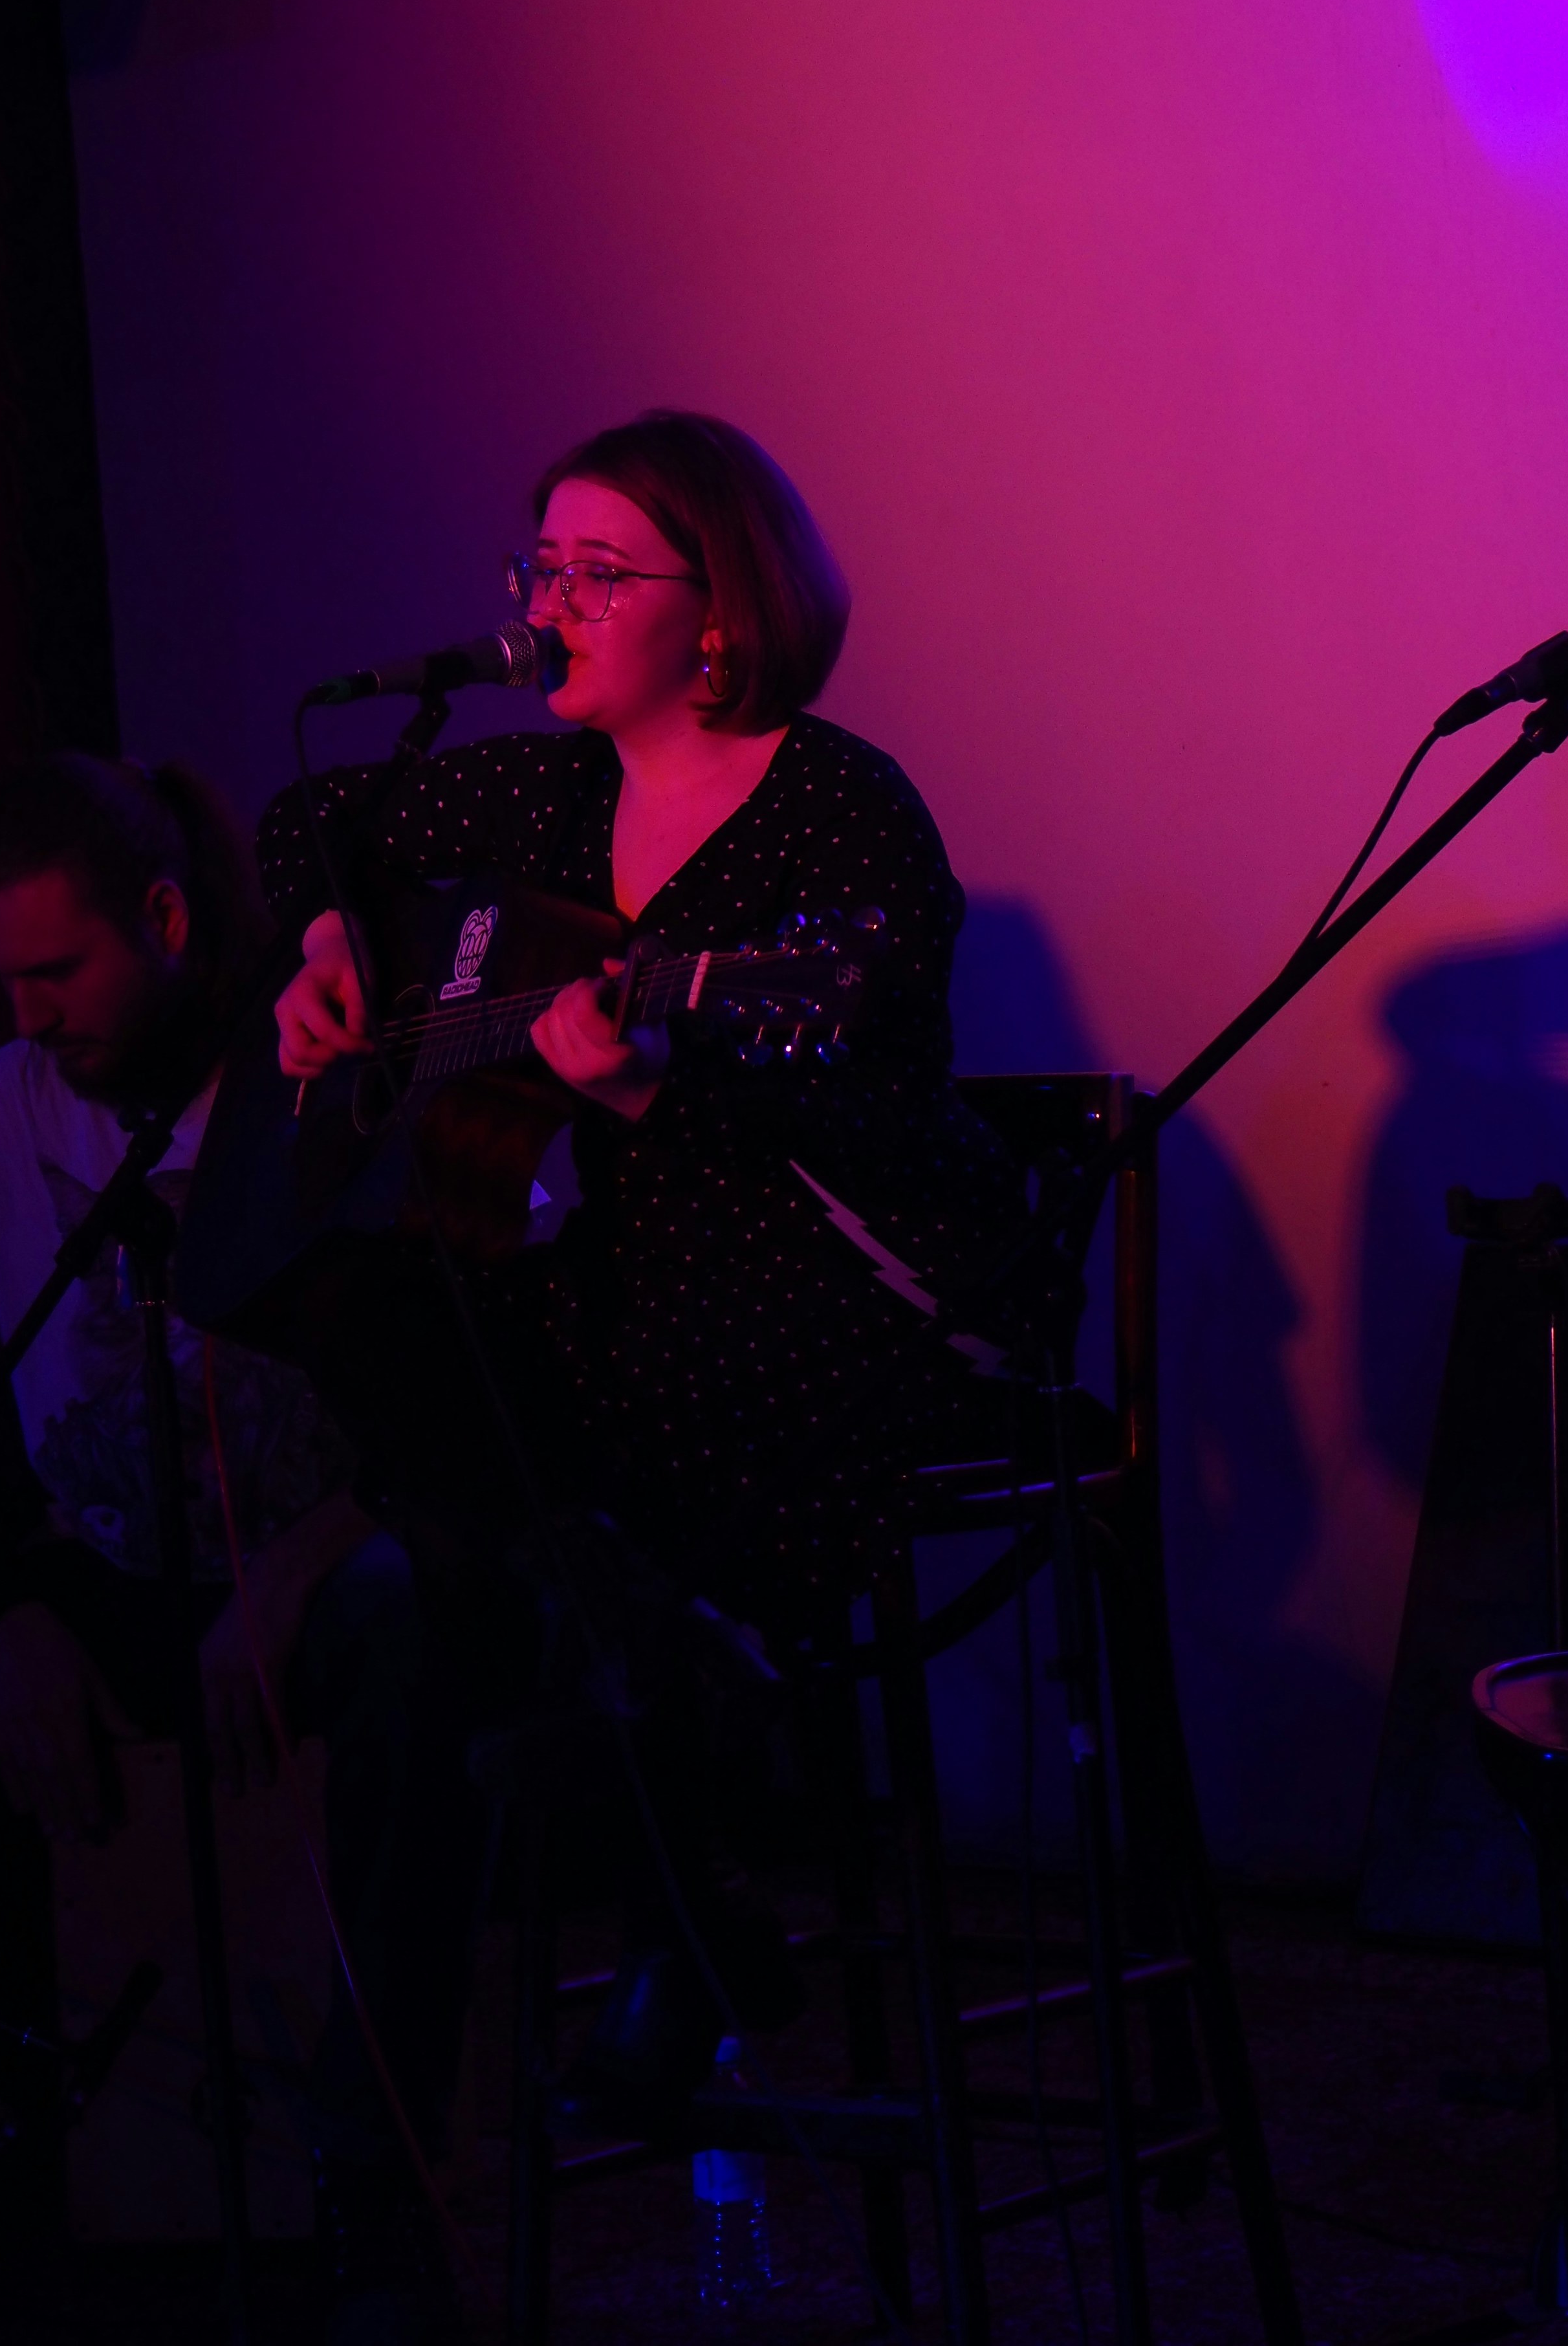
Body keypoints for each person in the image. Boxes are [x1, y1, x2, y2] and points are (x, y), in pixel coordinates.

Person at [259, 410, 1060, 2097]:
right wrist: (334, 939)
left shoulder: (838, 816)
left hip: (807, 1305)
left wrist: (643, 1092)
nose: (551, 603)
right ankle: (400, 2142)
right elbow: (291, 827)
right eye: (539, 565)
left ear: (722, 607)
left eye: (596, 571)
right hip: (587, 1320)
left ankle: (669, 1824)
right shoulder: (538, 788)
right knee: (370, 1413)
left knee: (433, 1573)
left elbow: (882, 1103)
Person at [0, 755, 490, 2343]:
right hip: (103, 1576)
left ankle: (372, 2165)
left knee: (400, 1633)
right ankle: (99, 2093)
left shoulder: (318, 1074)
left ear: (162, 918)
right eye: (2, 979)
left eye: (57, 971)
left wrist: (291, 1568)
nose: (29, 1016)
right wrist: (0, 1614)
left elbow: (469, 1424)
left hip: (324, 1564)